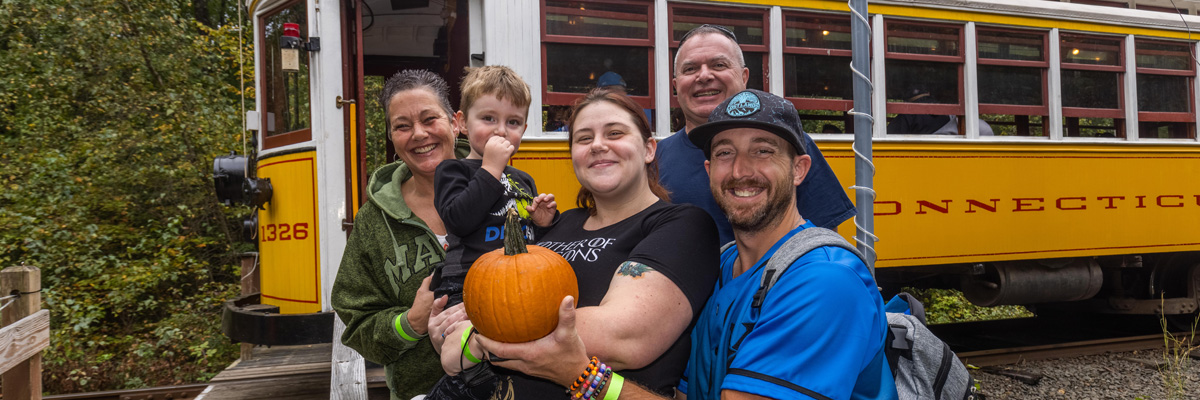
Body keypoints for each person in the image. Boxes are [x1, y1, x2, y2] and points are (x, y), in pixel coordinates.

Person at [473, 89, 897, 400]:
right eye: (726, 153)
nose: (742, 170)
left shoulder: (824, 281)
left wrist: (581, 376)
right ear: (709, 169)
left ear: (800, 169)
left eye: (763, 151)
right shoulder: (725, 264)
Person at [438, 89, 721, 399]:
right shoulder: (558, 223)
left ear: (649, 149)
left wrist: (478, 334)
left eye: (615, 133)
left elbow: (622, 336)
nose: (598, 145)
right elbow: (462, 337)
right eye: (584, 138)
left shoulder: (681, 225)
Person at [331, 69, 470, 400]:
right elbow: (357, 321)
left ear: (455, 122)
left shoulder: (500, 189)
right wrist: (411, 322)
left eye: (429, 119)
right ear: (392, 137)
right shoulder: (374, 222)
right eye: (403, 126)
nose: (419, 134)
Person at [657, 24, 856, 246]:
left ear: (744, 77)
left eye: (719, 64)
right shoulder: (654, 159)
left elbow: (823, 239)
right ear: (676, 86)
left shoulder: (788, 143)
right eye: (690, 69)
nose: (703, 76)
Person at [433, 65, 557, 307]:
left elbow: (533, 239)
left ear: (523, 130)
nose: (501, 130)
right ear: (462, 123)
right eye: (488, 118)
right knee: (466, 340)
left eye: (513, 122)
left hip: (522, 278)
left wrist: (544, 223)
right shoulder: (452, 171)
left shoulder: (524, 179)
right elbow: (459, 220)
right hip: (467, 282)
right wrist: (490, 169)